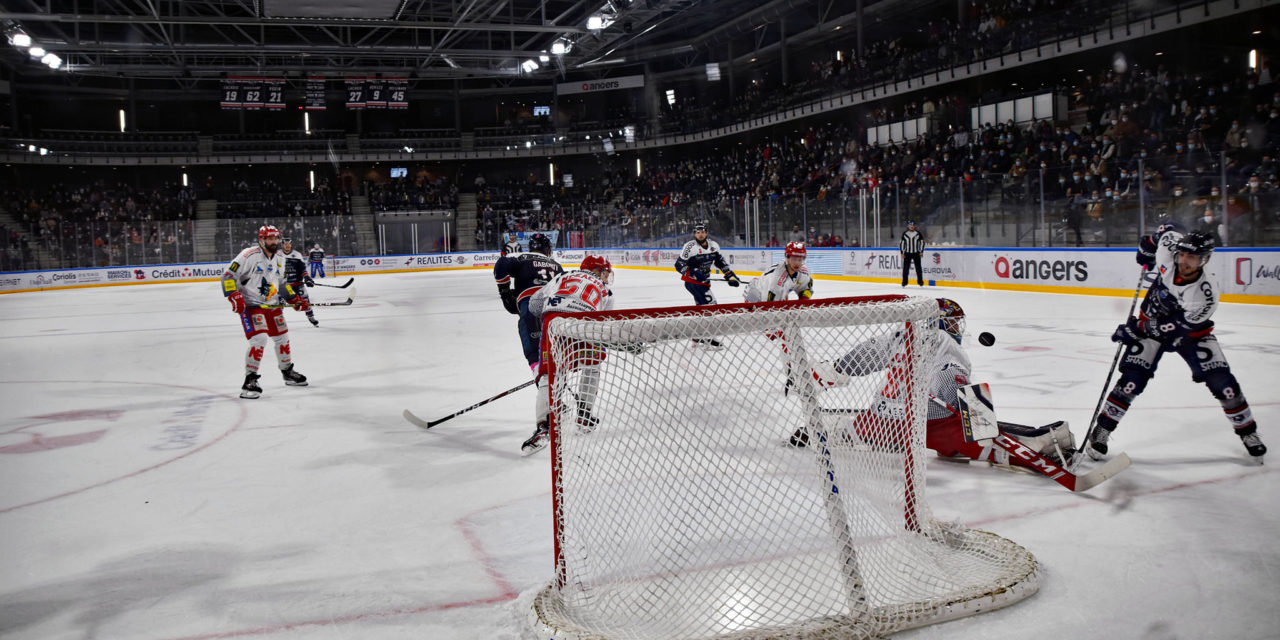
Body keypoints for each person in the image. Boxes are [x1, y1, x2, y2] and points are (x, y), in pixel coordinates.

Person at [790, 299, 1080, 477]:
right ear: (940, 322)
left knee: (860, 429)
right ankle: (1041, 446)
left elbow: (867, 354)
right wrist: (970, 411)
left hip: (883, 417)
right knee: (978, 438)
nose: (956, 328)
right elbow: (950, 382)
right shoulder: (946, 342)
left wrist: (836, 369)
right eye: (953, 322)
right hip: (924, 421)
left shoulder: (901, 333)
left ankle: (818, 430)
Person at [1090, 227, 1265, 462]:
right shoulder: (1167, 251)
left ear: (1205, 260)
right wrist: (1147, 245)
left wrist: (1137, 329)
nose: (1184, 261)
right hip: (1151, 321)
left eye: (1192, 257)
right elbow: (1165, 231)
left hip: (1191, 334)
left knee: (1224, 384)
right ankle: (1101, 431)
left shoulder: (1206, 294)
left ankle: (1248, 432)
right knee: (1131, 381)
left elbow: (1177, 326)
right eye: (1182, 254)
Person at [520, 255, 616, 455]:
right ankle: (584, 416)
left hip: (554, 322)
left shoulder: (561, 277)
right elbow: (605, 322)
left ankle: (543, 427)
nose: (607, 278)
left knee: (549, 375)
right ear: (596, 270)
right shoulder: (605, 290)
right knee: (592, 366)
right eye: (605, 273)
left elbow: (534, 305)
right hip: (584, 323)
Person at [221, 225, 310, 399]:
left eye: (276, 238)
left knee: (282, 337)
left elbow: (282, 283)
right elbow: (228, 276)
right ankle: (250, 379)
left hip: (272, 304)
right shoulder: (249, 255)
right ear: (261, 240)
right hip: (252, 305)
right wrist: (234, 295)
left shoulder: (280, 258)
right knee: (259, 339)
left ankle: (287, 372)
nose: (274, 242)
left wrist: (294, 298)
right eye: (269, 239)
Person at [493, 232, 564, 377]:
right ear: (548, 250)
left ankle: (540, 375)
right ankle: (558, 379)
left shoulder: (523, 258)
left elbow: (501, 264)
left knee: (535, 356)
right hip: (554, 309)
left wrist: (505, 292)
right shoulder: (557, 266)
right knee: (555, 352)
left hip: (530, 305)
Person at [674, 223, 740, 346]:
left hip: (705, 282)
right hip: (692, 282)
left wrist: (730, 276)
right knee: (711, 306)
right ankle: (707, 337)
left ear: (706, 233)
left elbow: (720, 262)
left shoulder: (714, 246)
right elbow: (679, 265)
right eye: (698, 232)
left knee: (701, 308)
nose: (700, 234)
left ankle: (696, 336)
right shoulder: (690, 247)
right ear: (694, 234)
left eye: (703, 232)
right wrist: (694, 273)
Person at [743, 241, 813, 303]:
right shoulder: (776, 279)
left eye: (800, 259)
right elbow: (770, 305)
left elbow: (806, 289)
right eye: (794, 259)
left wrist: (803, 300)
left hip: (771, 293)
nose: (797, 263)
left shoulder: (803, 273)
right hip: (755, 294)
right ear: (787, 258)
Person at [281, 237, 318, 327]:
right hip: (285, 286)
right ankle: (278, 320)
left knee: (305, 301)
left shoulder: (297, 255)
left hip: (297, 284)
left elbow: (303, 269)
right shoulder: (277, 255)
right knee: (279, 303)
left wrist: (307, 278)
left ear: (291, 245)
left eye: (289, 244)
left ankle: (310, 316)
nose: (287, 246)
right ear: (282, 245)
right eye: (285, 244)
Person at [899, 220, 925, 287]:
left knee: (918, 268)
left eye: (913, 225)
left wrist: (921, 251)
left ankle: (920, 282)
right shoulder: (905, 233)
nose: (912, 226)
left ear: (915, 226)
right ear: (908, 226)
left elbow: (922, 242)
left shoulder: (918, 233)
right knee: (905, 269)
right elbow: (902, 243)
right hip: (907, 253)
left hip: (916, 253)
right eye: (910, 225)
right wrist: (902, 252)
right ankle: (904, 282)